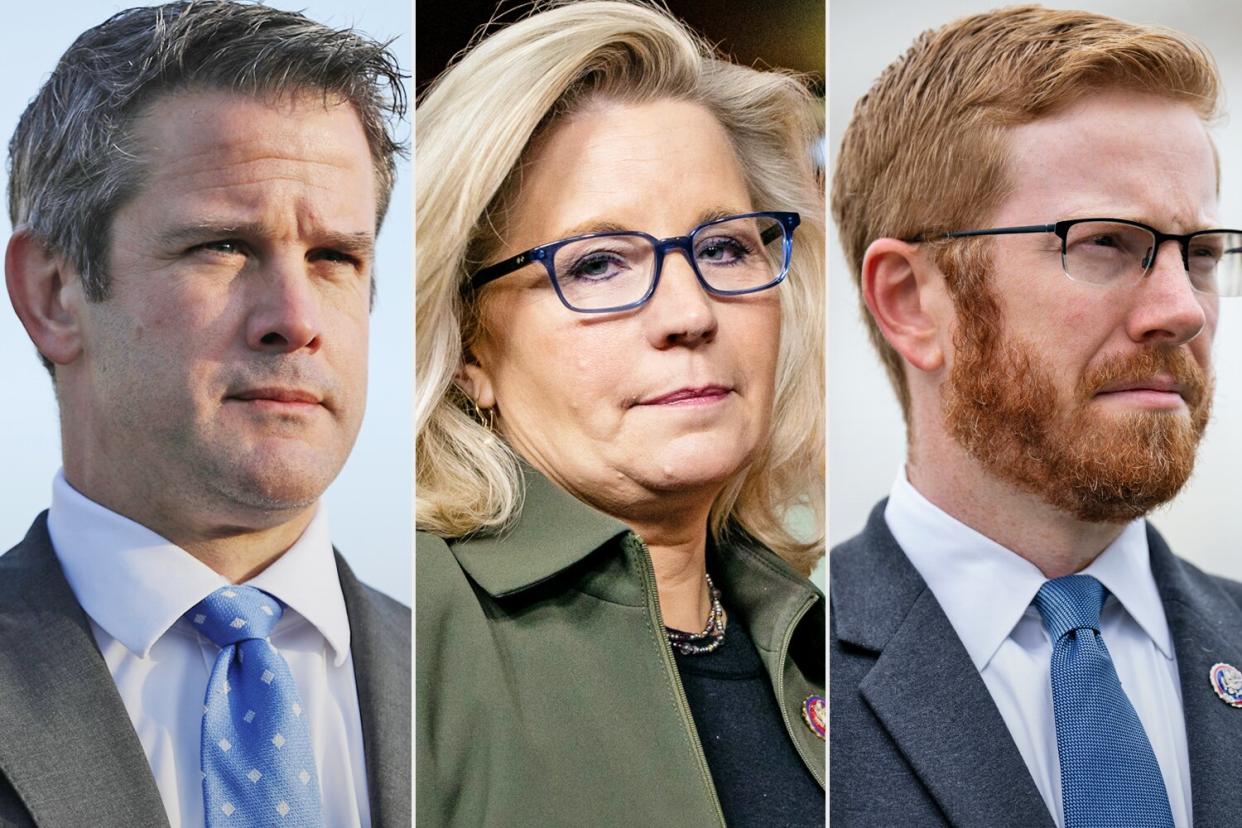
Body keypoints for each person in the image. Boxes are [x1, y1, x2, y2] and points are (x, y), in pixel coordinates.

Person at [414, 2, 825, 825]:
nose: (690, 312)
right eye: (598, 263)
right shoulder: (412, 629)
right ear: (467, 346)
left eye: (723, 247)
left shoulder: (817, 636)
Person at [831, 5, 1242, 827]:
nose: (1183, 310)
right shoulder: (796, 668)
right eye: (1104, 243)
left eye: (1198, 255)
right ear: (912, 301)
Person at [1, 3, 409, 826]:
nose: (296, 319)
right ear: (53, 295)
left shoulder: (450, 672)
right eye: (222, 245)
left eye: (334, 256)